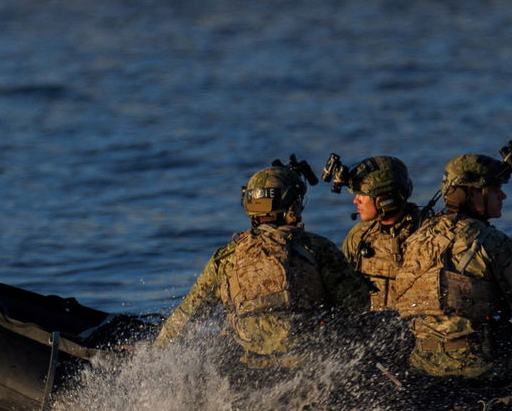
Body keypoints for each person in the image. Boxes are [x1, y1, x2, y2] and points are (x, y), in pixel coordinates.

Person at [155, 158, 369, 371]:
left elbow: (188, 315)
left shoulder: (226, 257)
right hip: (308, 361)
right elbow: (357, 304)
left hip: (249, 365)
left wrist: (157, 353)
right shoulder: (317, 247)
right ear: (293, 206)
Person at [387, 145, 512, 393]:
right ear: (472, 194)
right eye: (494, 189)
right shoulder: (491, 241)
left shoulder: (415, 239)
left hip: (424, 363)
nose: (502, 196)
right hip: (478, 366)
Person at [328, 154, 423, 310]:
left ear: (385, 199)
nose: (355, 200)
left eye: (363, 195)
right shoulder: (359, 236)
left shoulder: (425, 233)